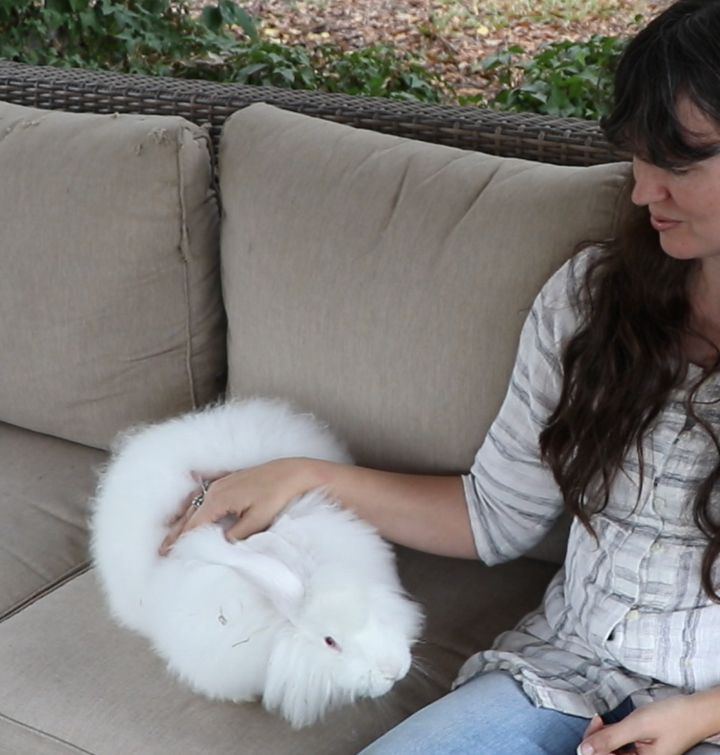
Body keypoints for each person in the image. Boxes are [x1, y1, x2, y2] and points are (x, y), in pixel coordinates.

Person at [160, 1, 720, 752]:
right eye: (639, 156)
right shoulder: (593, 301)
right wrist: (302, 475)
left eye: (678, 162)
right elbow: (496, 515)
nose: (643, 189)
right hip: (559, 673)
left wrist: (697, 716)